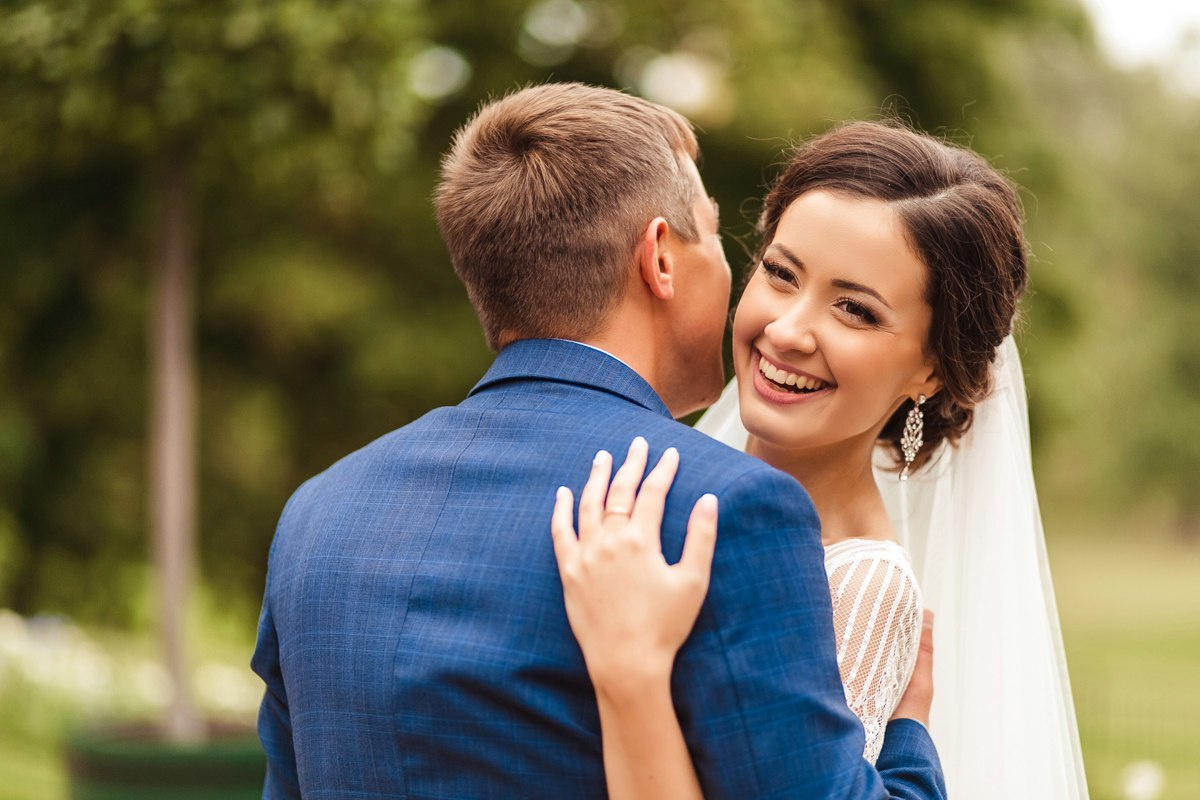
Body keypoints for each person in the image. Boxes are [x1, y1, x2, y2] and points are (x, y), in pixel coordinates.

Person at [251, 84, 945, 798]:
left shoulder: (317, 515)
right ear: (660, 258)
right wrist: (908, 739)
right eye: (713, 235)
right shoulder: (722, 512)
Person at [551, 121, 1089, 798]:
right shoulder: (650, 477)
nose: (787, 330)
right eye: (781, 274)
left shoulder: (860, 586)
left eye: (855, 311)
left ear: (931, 369)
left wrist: (630, 668)